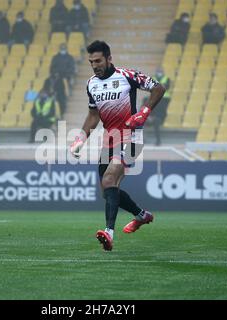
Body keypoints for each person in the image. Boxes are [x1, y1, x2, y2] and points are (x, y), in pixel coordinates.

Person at [69, 40, 166, 251]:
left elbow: (158, 88)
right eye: (91, 61)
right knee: (107, 188)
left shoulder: (127, 76)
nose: (95, 65)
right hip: (109, 140)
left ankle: (109, 233)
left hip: (133, 138)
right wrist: (80, 139)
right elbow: (93, 115)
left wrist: (144, 111)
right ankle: (142, 216)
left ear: (109, 58)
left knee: (110, 178)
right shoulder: (91, 84)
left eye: (98, 60)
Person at [150, 67, 171, 145]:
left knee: (157, 120)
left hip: (164, 99)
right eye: (158, 71)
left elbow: (166, 87)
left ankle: (158, 140)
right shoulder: (153, 78)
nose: (159, 72)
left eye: (160, 71)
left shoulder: (167, 79)